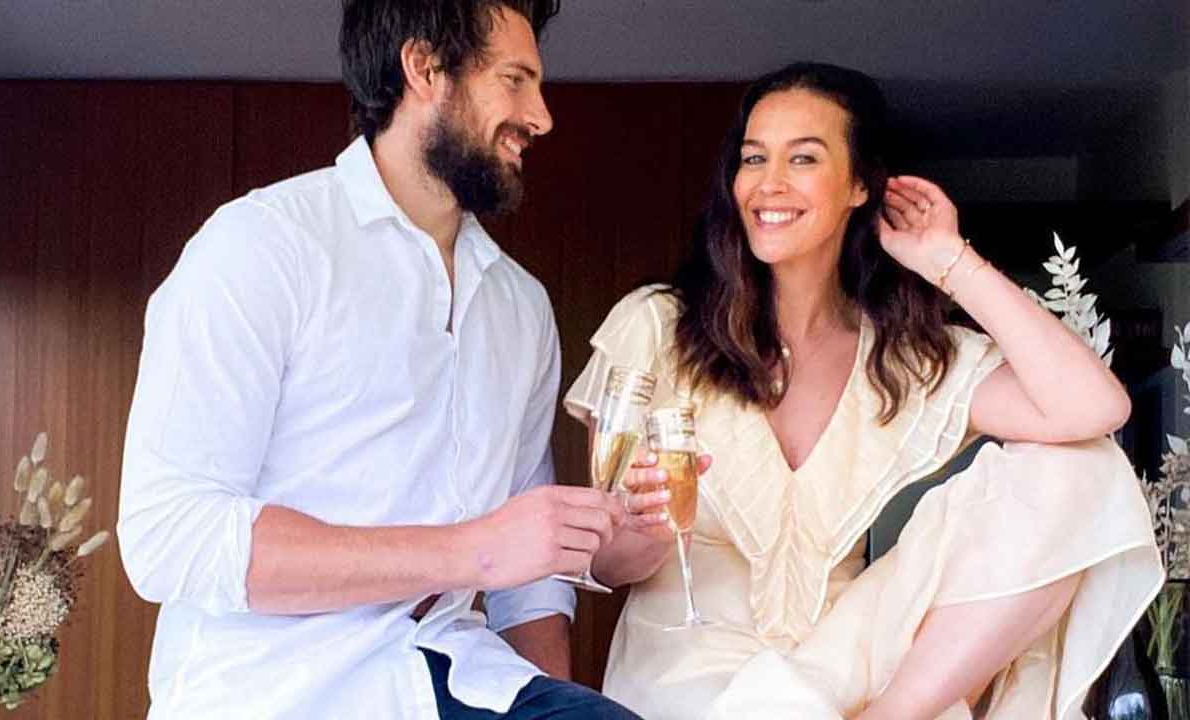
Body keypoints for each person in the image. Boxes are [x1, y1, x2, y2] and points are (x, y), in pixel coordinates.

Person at [568, 62, 1161, 720]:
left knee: (1081, 466)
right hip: (688, 675)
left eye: (803, 158)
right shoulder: (656, 327)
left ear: (859, 185)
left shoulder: (904, 356)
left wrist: (949, 260)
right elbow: (608, 565)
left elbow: (1095, 409)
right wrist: (646, 530)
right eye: (754, 158)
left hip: (841, 664)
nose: (768, 183)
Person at [116, 2, 641, 718]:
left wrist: (562, 702)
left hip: (462, 675)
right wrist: (470, 551)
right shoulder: (257, 248)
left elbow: (527, 583)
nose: (540, 116)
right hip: (272, 692)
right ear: (424, 68)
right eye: (514, 81)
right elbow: (170, 535)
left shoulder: (520, 307)